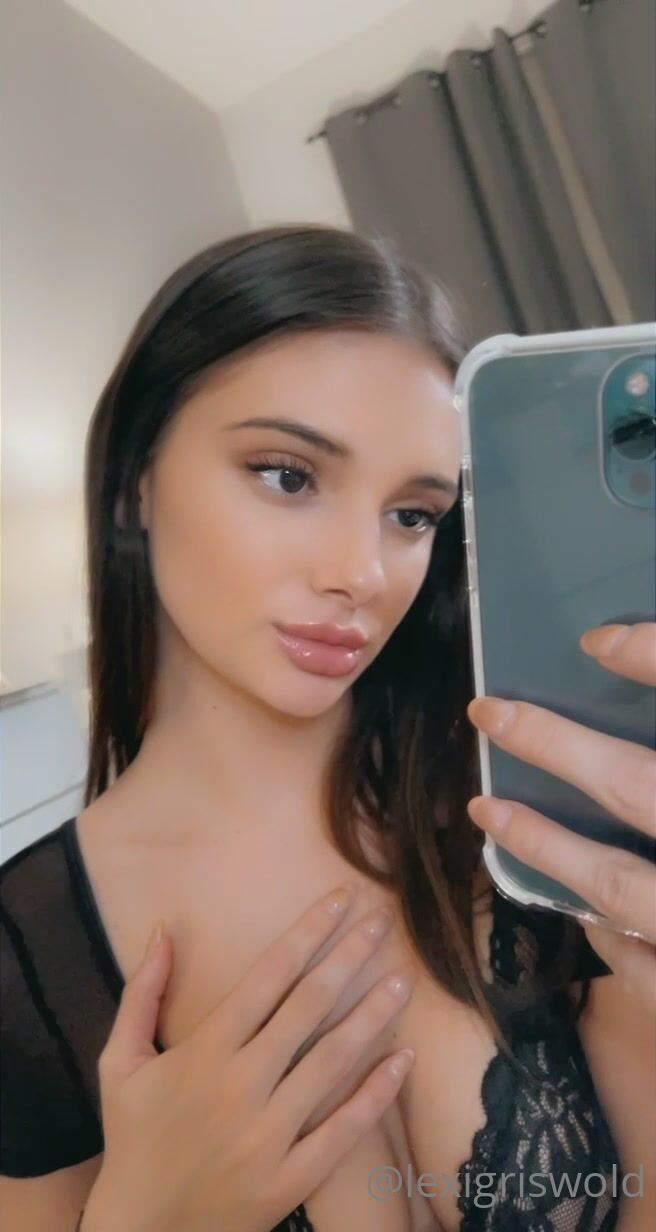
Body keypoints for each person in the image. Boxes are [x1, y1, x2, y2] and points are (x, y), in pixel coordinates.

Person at [1, 223, 654, 1231]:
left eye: (413, 513)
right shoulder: (26, 953)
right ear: (136, 478)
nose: (362, 572)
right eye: (288, 474)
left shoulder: (526, 810)